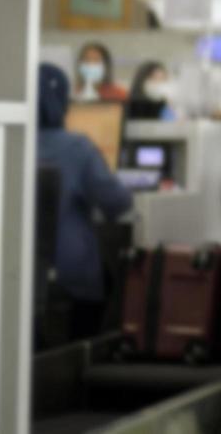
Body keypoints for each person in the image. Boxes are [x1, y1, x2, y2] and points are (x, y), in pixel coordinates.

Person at [36, 63, 132, 338]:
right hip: (70, 275)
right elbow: (117, 203)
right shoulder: (76, 147)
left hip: (14, 272)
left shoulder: (6, 141)